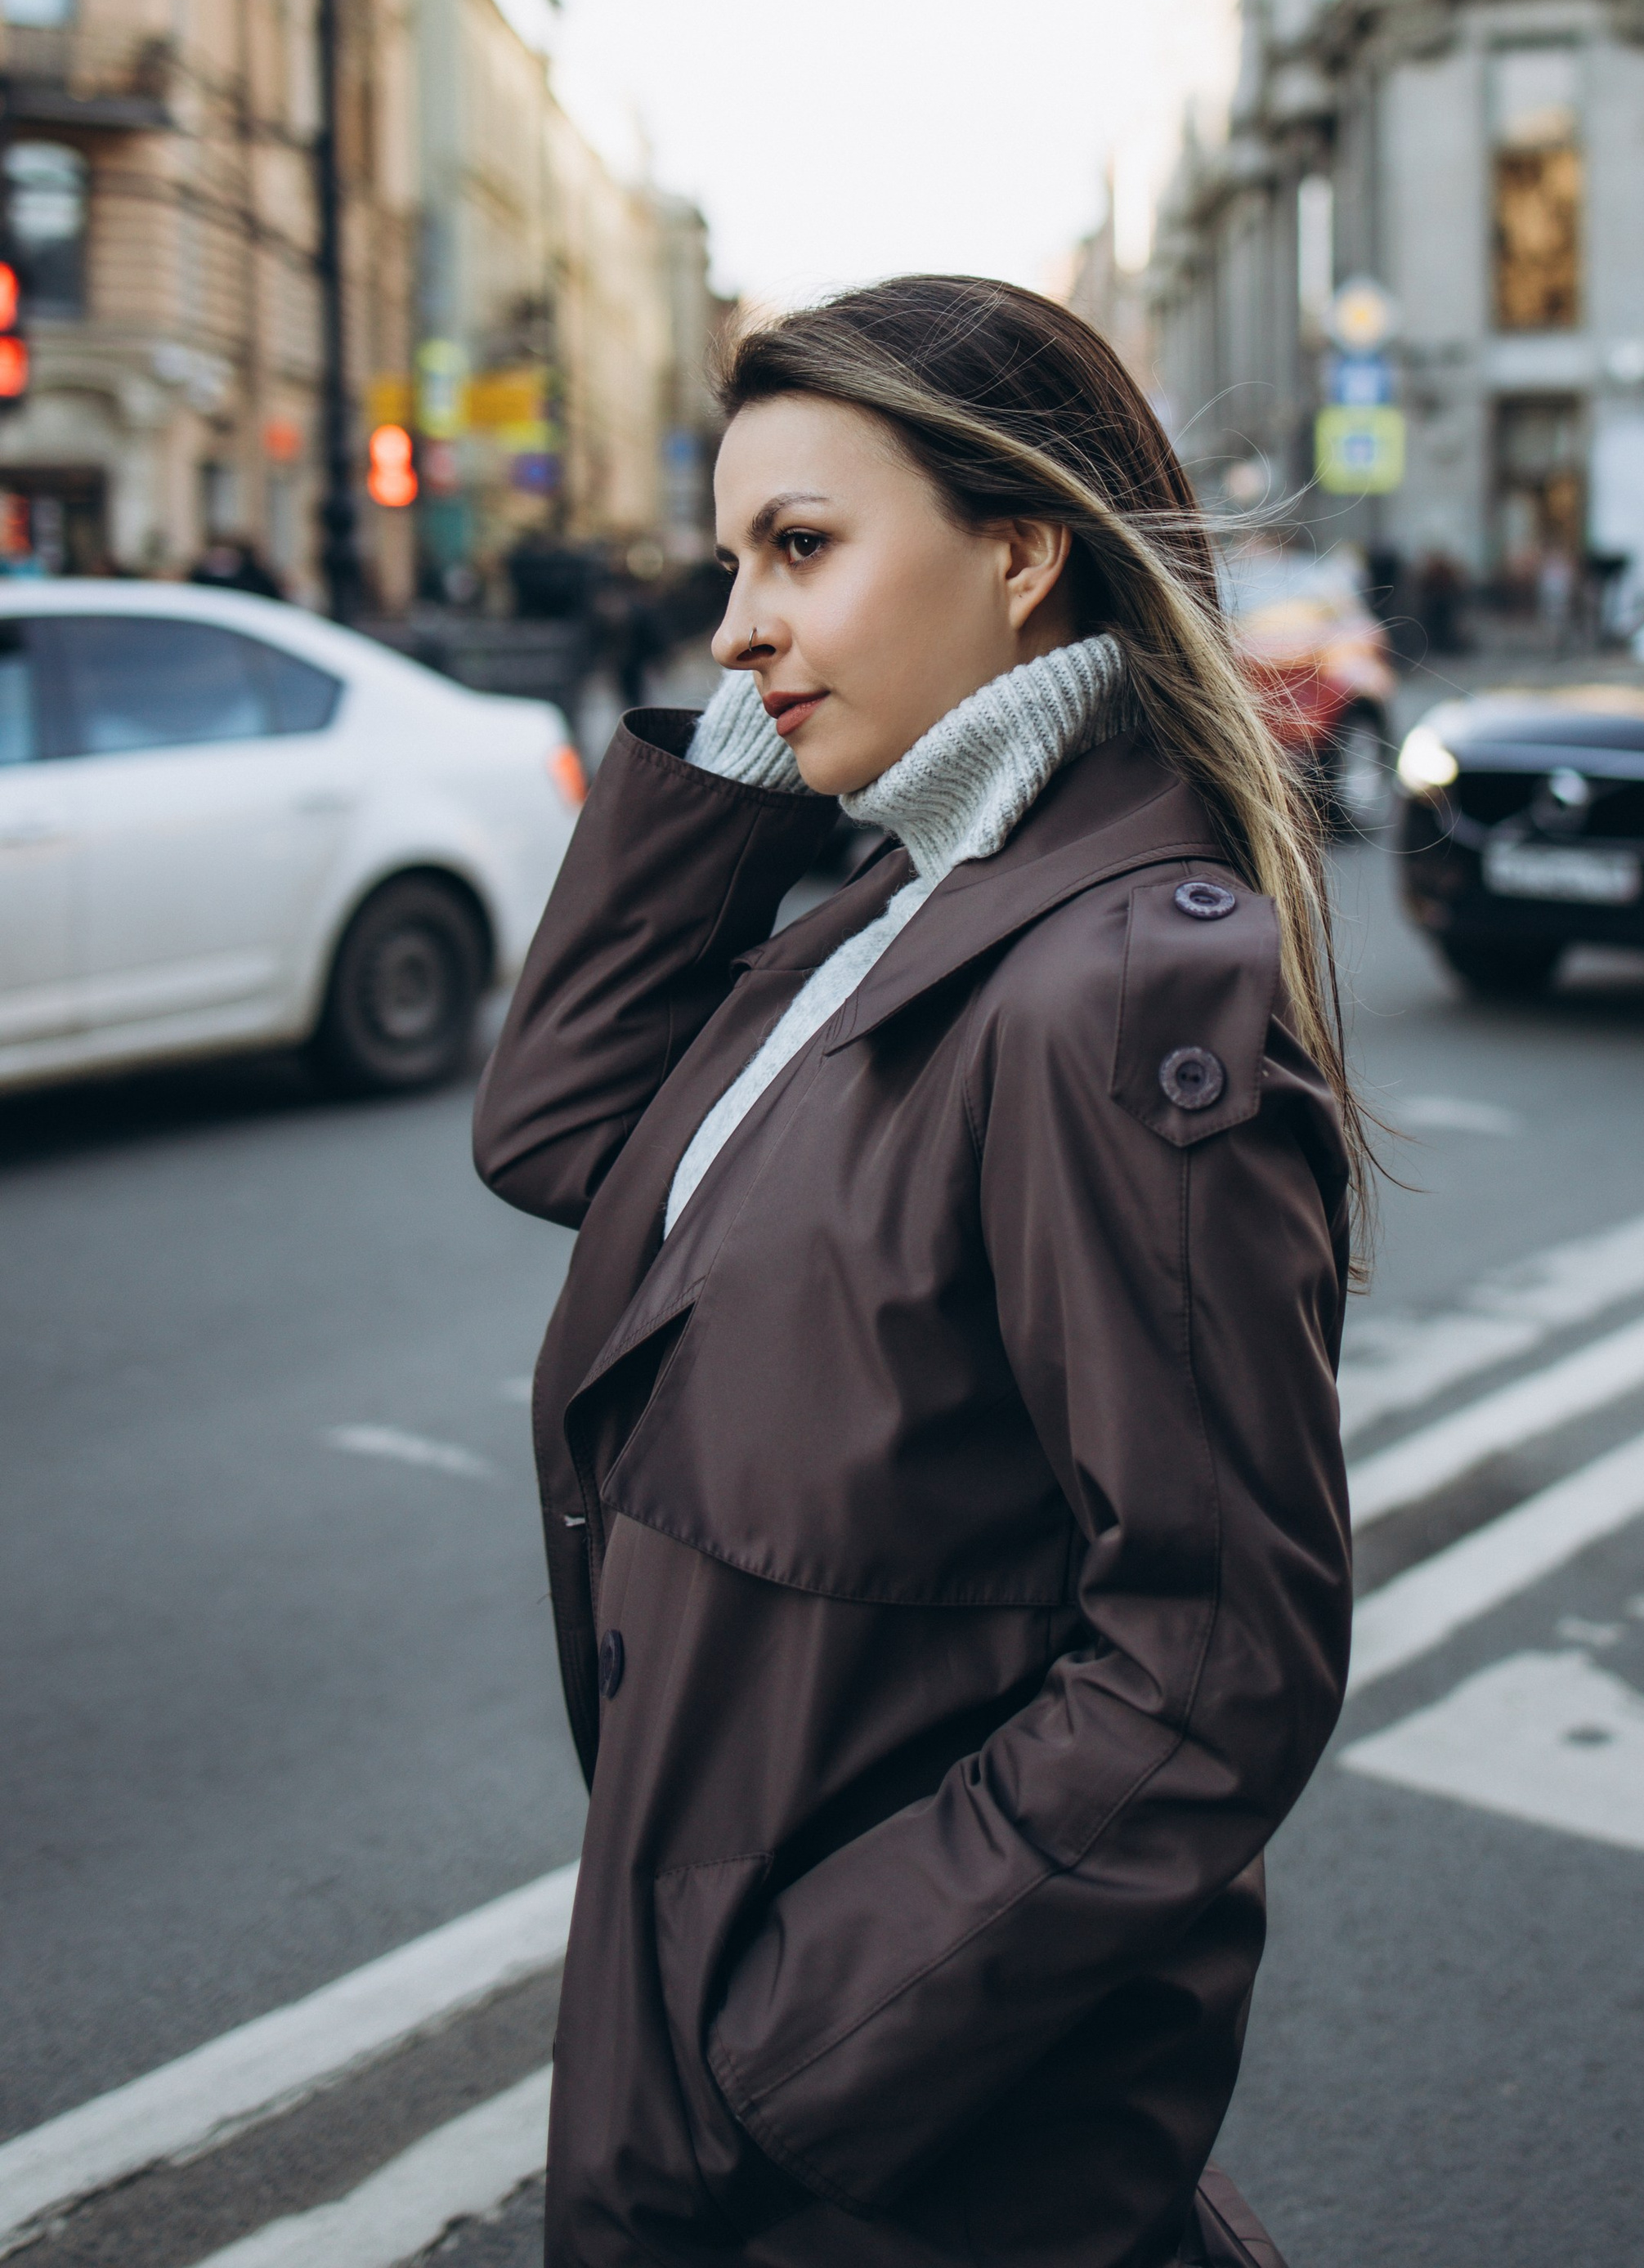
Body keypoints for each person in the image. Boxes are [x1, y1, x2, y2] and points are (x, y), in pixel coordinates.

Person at [475, 278, 1363, 2268]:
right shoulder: (905, 892)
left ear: (1024, 550)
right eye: (729, 559)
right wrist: (773, 719)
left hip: (886, 2127)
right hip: (727, 2006)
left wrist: (808, 2035)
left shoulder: (1109, 988)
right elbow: (554, 1133)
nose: (734, 620)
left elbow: (1214, 1658)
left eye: (799, 548)